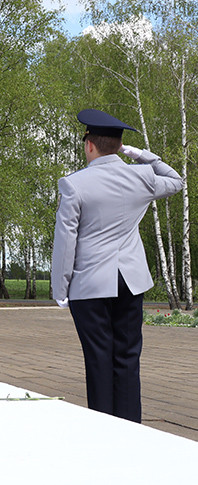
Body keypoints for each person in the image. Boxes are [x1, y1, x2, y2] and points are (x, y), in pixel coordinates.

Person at [52, 109, 184, 423]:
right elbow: (176, 180)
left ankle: (102, 428)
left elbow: (66, 240)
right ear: (119, 145)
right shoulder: (141, 177)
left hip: (91, 285)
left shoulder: (74, 184)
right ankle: (130, 428)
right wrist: (141, 155)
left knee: (98, 358)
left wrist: (61, 287)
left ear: (89, 145)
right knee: (127, 357)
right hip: (131, 280)